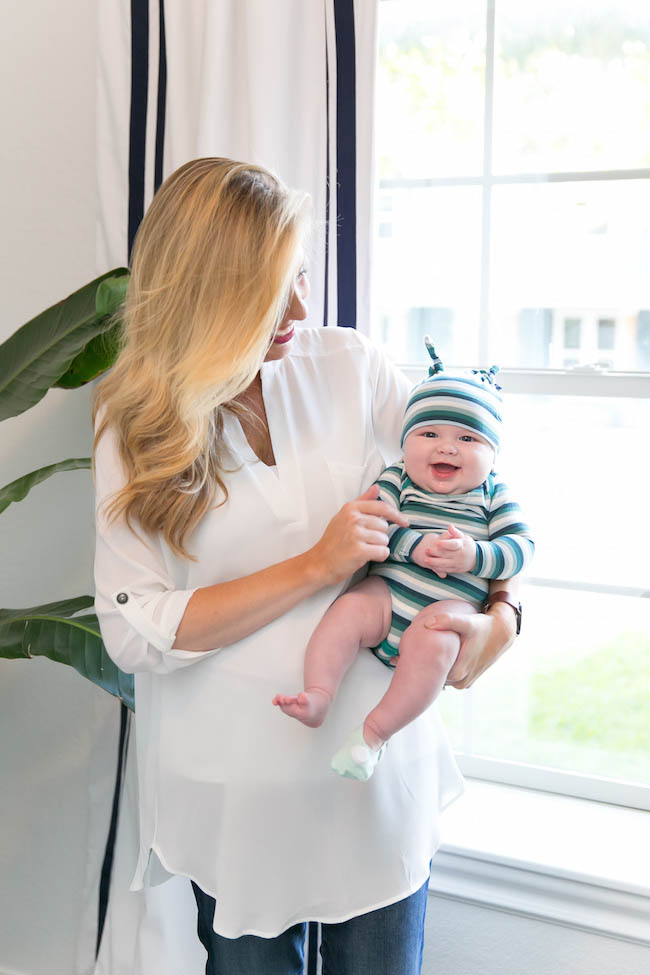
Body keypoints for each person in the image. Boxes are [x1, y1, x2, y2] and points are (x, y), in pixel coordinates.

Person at [93, 157, 520, 975]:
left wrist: (498, 622)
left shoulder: (348, 365)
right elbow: (132, 629)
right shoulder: (134, 423)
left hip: (374, 779)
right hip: (236, 797)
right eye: (270, 289)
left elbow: (473, 486)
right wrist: (316, 563)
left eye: (302, 276)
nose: (300, 308)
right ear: (206, 294)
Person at [274, 343, 534, 781]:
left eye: (467, 439)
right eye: (429, 434)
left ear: (492, 454)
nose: (447, 448)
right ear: (407, 440)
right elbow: (372, 522)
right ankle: (319, 693)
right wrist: (411, 545)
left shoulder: (493, 494)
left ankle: (373, 735)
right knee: (349, 609)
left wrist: (475, 555)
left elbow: (521, 548)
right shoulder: (397, 477)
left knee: (439, 635)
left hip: (447, 607)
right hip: (388, 596)